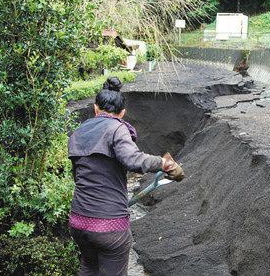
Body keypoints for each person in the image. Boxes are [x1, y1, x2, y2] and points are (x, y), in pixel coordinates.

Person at [68, 77, 184, 276]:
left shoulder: (78, 132)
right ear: (122, 113)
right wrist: (165, 163)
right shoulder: (117, 127)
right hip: (108, 226)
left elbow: (78, 174)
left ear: (96, 108)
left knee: (89, 268)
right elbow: (133, 160)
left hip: (78, 221)